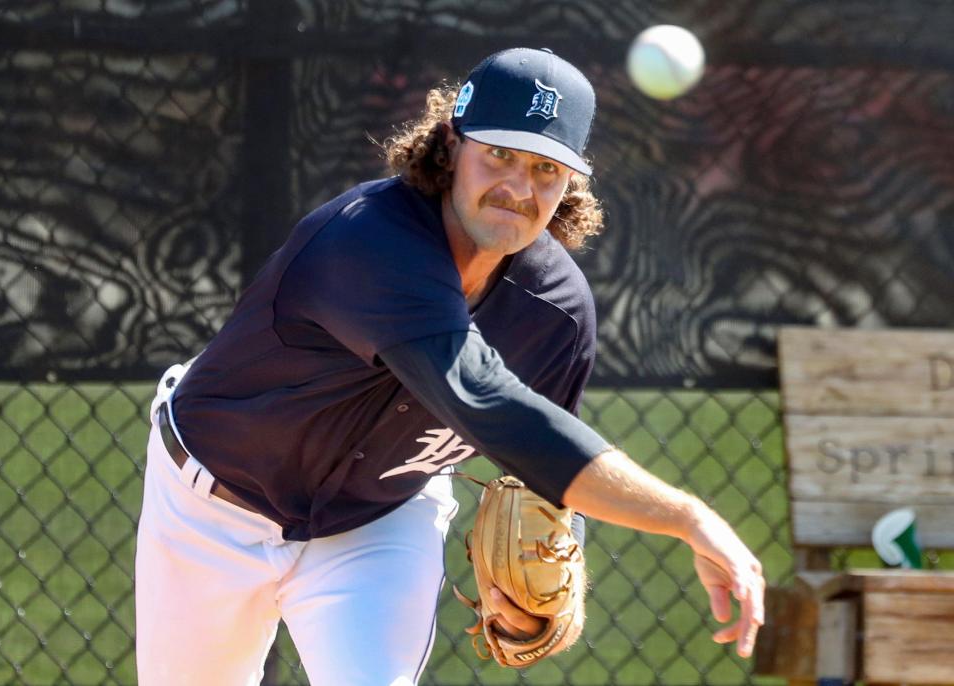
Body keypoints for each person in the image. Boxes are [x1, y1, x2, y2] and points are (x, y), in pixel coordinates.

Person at [134, 47, 764, 685]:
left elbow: (539, 467)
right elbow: (485, 400)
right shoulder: (368, 241)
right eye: (499, 154)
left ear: (571, 183)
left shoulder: (557, 312)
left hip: (376, 522)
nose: (519, 188)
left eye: (546, 168)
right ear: (450, 144)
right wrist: (689, 517)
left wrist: (538, 567)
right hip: (212, 510)